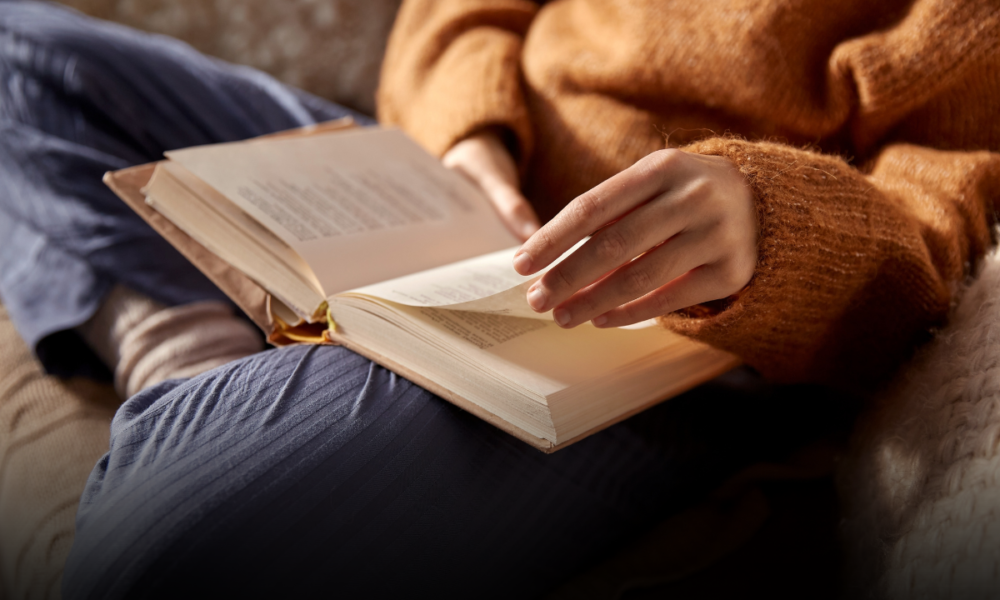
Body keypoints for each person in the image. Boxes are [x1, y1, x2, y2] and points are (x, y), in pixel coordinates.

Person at [0, 0, 995, 597]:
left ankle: (227, 372)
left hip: (643, 340)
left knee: (164, 543)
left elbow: (934, 234)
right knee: (19, 53)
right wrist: (470, 134)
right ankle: (199, 358)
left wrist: (767, 226)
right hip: (432, 186)